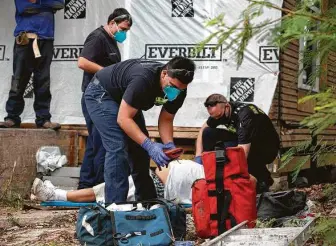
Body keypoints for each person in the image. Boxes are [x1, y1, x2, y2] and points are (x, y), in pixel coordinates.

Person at [84, 56, 196, 203]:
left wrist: (169, 144)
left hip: (127, 101)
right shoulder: (143, 79)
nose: (176, 92)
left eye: (181, 89)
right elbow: (124, 119)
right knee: (117, 146)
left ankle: (147, 203)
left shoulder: (180, 90)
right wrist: (150, 145)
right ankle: (115, 207)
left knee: (140, 150)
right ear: (164, 74)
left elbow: (166, 119)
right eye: (173, 87)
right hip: (102, 94)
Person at [77, 8, 132, 190]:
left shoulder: (111, 41)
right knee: (101, 143)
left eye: (126, 31)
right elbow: (82, 62)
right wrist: (106, 72)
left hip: (105, 98)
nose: (123, 33)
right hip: (94, 98)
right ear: (112, 23)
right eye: (122, 29)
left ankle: (87, 185)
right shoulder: (98, 37)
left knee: (96, 142)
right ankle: (97, 185)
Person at [195, 93, 280, 193]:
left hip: (267, 147)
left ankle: (262, 179)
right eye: (214, 118)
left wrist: (227, 177)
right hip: (247, 139)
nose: (217, 120)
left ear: (226, 107)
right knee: (208, 133)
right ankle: (209, 172)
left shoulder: (244, 117)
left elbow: (242, 153)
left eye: (219, 116)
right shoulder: (219, 112)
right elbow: (202, 130)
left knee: (229, 153)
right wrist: (199, 156)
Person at [0, 0, 63, 130]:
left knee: (43, 81)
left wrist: (38, 2)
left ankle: (44, 119)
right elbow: (25, 8)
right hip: (25, 39)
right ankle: (12, 117)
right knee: (18, 80)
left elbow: (59, 4)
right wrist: (47, 7)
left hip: (46, 40)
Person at [32, 160, 205, 205]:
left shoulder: (218, 187)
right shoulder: (214, 170)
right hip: (153, 178)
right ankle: (56, 192)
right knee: (107, 187)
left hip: (159, 188)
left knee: (104, 190)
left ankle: (55, 194)